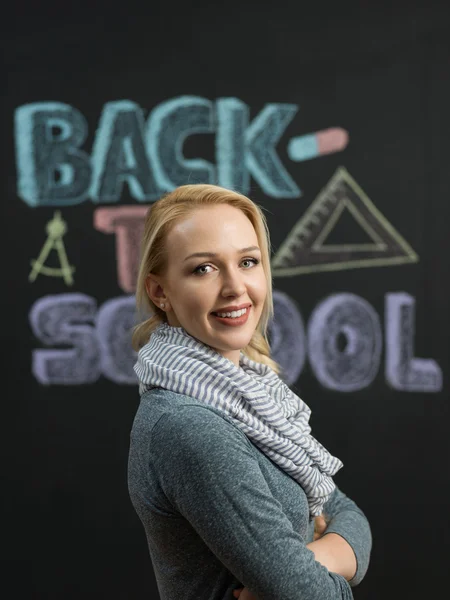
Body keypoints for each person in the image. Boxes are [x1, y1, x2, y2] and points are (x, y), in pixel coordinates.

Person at [128, 184, 372, 600]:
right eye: (203, 268)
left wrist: (309, 562)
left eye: (247, 261)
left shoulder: (256, 398)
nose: (235, 287)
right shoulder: (190, 424)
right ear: (159, 292)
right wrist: (303, 574)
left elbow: (349, 515)